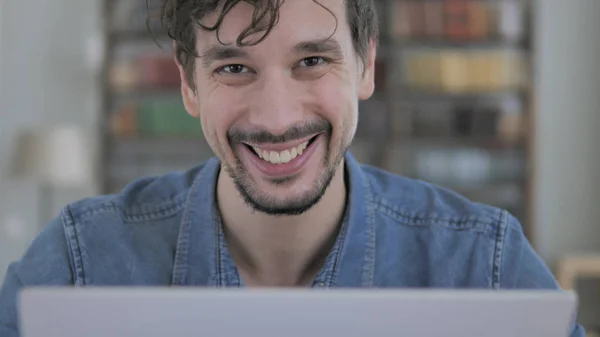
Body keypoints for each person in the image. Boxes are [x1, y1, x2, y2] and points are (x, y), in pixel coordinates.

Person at [0, 0, 585, 335]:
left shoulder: (484, 264)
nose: (276, 118)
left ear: (366, 65)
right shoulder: (77, 264)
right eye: (233, 68)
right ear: (188, 84)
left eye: (311, 61)